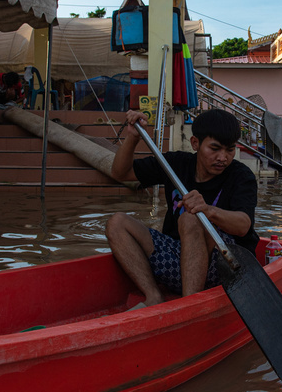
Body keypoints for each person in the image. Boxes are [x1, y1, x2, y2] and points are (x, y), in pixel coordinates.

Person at [106, 108, 258, 307]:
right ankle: (153, 296)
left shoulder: (241, 176)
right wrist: (133, 138)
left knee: (189, 218)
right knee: (117, 222)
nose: (223, 157)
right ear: (195, 143)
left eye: (230, 150)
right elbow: (120, 173)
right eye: (215, 149)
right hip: (176, 261)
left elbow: (243, 226)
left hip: (225, 264)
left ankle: (189, 305)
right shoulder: (175, 164)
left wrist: (208, 210)